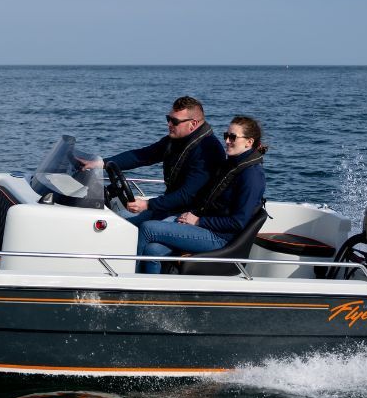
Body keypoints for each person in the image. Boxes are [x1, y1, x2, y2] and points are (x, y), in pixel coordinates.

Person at [136, 115, 267, 273]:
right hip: (206, 226)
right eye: (226, 135)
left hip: (220, 238)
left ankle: (129, 281)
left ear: (249, 142)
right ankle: (152, 287)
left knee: (147, 228)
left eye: (233, 137)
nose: (227, 141)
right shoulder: (232, 164)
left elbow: (238, 222)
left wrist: (198, 221)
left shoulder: (251, 176)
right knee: (153, 250)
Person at [86, 96, 224, 225]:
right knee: (119, 219)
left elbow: (186, 195)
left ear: (193, 124)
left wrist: (148, 204)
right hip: (172, 207)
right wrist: (102, 163)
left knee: (148, 233)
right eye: (168, 119)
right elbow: (143, 155)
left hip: (191, 214)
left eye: (174, 121)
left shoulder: (208, 150)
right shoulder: (175, 140)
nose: (169, 124)